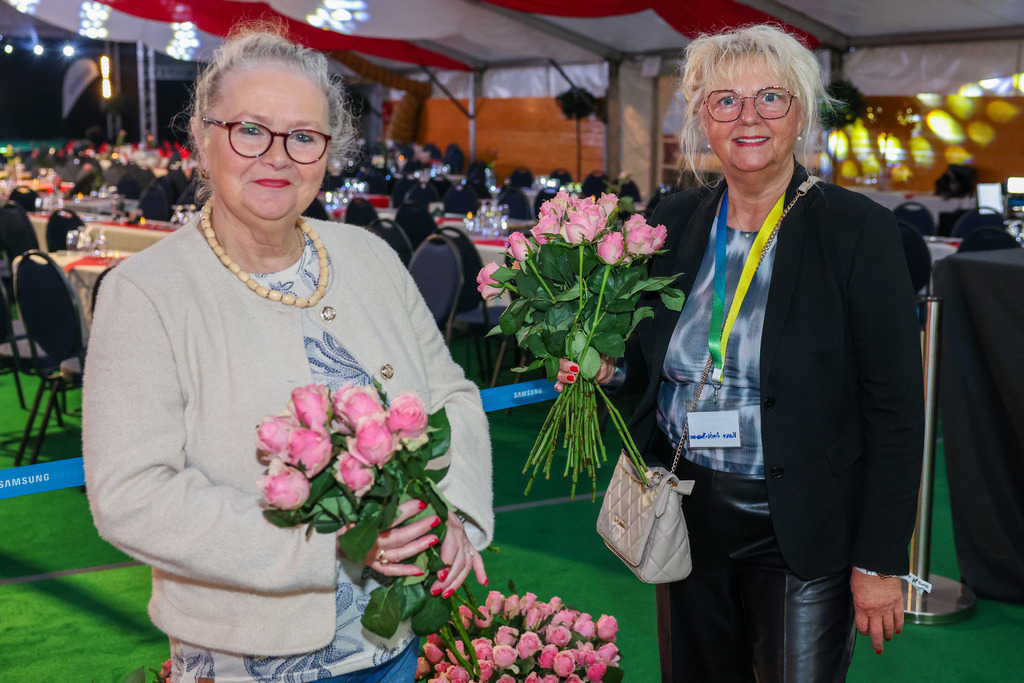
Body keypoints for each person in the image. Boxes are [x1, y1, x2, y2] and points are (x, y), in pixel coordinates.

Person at [83, 27, 492, 683]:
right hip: (247, 658)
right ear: (204, 136)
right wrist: (333, 543)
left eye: (304, 136)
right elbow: (131, 494)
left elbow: (452, 397)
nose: (277, 156)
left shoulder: (370, 258)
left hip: (390, 643)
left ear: (329, 152)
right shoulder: (146, 292)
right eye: (250, 129)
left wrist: (450, 511)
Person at [557, 24, 923, 681]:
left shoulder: (858, 231)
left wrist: (879, 559)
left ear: (802, 112)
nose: (747, 116)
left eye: (770, 98)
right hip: (685, 507)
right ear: (702, 116)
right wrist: (605, 369)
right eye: (724, 100)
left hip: (803, 525)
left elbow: (896, 410)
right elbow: (651, 364)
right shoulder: (673, 220)